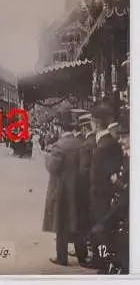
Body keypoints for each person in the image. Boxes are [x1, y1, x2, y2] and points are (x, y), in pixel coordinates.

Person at [42, 108, 81, 266]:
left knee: (61, 225)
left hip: (61, 190)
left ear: (60, 128)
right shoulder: (80, 143)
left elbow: (53, 168)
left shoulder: (59, 146)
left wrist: (46, 157)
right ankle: (82, 255)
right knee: (77, 221)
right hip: (77, 188)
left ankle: (62, 257)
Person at [88, 103, 124, 270]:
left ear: (94, 122)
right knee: (105, 230)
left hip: (101, 196)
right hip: (107, 195)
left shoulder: (102, 146)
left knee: (101, 230)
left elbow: (102, 175)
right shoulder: (111, 143)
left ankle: (101, 262)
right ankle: (103, 260)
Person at [74, 113, 95, 267]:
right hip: (92, 188)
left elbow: (84, 170)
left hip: (86, 189)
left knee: (83, 221)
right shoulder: (91, 141)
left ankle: (85, 253)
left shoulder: (87, 143)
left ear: (84, 127)